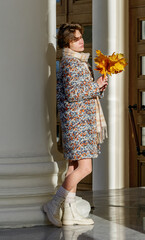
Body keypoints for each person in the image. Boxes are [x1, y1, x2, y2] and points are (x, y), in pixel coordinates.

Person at [43, 23, 108, 227]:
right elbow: (73, 94)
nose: (81, 41)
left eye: (81, 37)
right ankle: (54, 204)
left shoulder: (77, 62)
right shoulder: (71, 63)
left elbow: (82, 92)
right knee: (85, 168)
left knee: (73, 166)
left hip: (79, 121)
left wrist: (98, 87)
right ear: (67, 42)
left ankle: (69, 214)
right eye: (76, 38)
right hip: (78, 124)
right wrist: (94, 86)